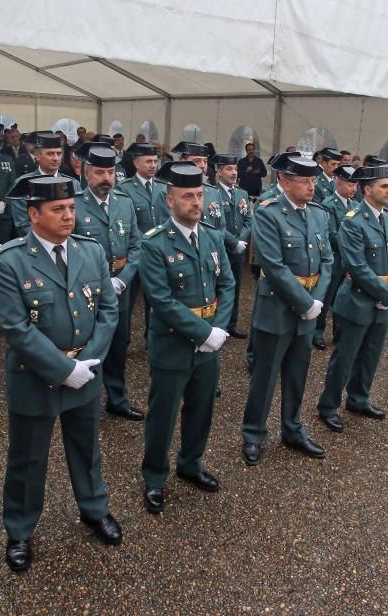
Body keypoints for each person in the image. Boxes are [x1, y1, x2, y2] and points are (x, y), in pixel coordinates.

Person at [0, 174, 122, 572]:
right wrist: (65, 368)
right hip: (36, 377)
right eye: (58, 209)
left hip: (86, 371)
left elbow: (108, 311)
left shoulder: (91, 251)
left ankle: (94, 509)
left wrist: (87, 364)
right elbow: (16, 328)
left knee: (86, 449)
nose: (69, 216)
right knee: (28, 458)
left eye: (71, 208)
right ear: (33, 214)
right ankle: (19, 530)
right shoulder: (10, 259)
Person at [138, 161, 235, 513]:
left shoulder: (211, 235)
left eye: (199, 195)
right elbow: (161, 300)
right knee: (163, 414)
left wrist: (219, 330)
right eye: (187, 196)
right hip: (172, 345)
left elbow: (227, 283)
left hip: (209, 345)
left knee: (201, 409)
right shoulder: (153, 244)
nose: (196, 202)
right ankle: (154, 477)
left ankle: (191, 463)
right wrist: (203, 332)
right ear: (169, 201)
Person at [241, 153, 331, 464]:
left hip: (309, 309)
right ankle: (253, 433)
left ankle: (293, 429)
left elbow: (328, 262)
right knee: (264, 377)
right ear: (284, 181)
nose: (311, 187)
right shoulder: (268, 213)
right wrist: (306, 303)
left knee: (297, 374)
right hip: (278, 308)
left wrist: (317, 300)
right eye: (305, 181)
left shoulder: (318, 214)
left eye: (313, 181)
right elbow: (274, 266)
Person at [316, 164, 388, 433]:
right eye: (384, 186)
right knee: (345, 357)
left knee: (371, 355)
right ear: (367, 190)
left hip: (382, 301)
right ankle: (328, 406)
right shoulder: (353, 221)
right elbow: (356, 265)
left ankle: (359, 398)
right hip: (357, 300)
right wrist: (386, 294)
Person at [72, 143, 144, 421]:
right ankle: (84, 400)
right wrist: (103, 282)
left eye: (110, 172)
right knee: (90, 344)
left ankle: (117, 398)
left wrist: (123, 280)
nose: (106, 178)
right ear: (87, 172)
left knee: (119, 343)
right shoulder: (75, 205)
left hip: (120, 290)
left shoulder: (124, 203)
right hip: (88, 292)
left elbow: (136, 246)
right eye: (100, 172)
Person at [119, 143, 167, 339]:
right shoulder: (125, 188)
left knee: (155, 299)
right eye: (148, 161)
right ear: (136, 164)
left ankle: (152, 337)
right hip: (136, 253)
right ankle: (123, 339)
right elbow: (126, 223)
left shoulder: (163, 188)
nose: (153, 165)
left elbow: (165, 220)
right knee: (128, 300)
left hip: (157, 254)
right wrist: (145, 241)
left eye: (155, 161)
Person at [312, 164, 358, 351]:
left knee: (344, 299)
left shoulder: (355, 205)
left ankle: (339, 333)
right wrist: (354, 249)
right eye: (349, 185)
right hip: (336, 259)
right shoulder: (328, 205)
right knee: (327, 297)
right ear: (339, 182)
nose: (353, 189)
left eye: (355, 185)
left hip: (350, 261)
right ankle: (317, 331)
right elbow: (332, 234)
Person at [210, 154, 251, 338]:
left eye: (235, 169)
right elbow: (213, 223)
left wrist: (241, 240)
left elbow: (249, 220)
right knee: (216, 286)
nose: (234, 173)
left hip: (238, 249)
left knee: (234, 285)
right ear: (219, 172)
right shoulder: (212, 193)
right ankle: (216, 324)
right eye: (229, 169)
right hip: (220, 247)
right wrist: (233, 242)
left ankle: (231, 323)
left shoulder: (242, 193)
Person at [9, 131, 70, 236]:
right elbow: (22, 224)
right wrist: (50, 241)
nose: (55, 158)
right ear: (37, 156)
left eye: (59, 154)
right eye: (50, 154)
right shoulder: (24, 184)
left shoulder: (72, 183)